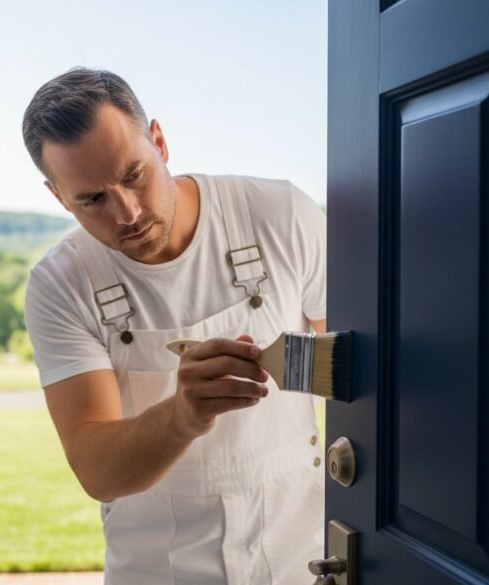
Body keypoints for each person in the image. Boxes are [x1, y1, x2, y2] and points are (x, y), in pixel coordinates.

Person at [21, 68, 326, 584]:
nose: (128, 213)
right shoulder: (61, 284)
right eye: (92, 200)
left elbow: (363, 367)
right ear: (57, 196)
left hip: (303, 558)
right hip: (159, 570)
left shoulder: (279, 214)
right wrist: (183, 414)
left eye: (133, 175)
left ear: (159, 141)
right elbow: (96, 470)